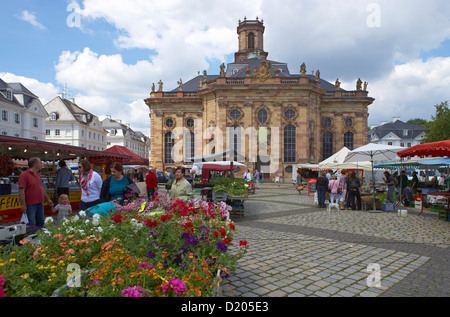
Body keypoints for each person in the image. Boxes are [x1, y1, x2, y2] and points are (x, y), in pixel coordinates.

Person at [18, 157, 54, 228]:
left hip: (39, 203)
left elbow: (41, 188)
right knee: (31, 224)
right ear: (35, 164)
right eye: (40, 163)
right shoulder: (24, 175)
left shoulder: (37, 175)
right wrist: (23, 204)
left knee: (40, 222)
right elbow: (21, 190)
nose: (41, 164)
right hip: (30, 204)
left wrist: (48, 199)